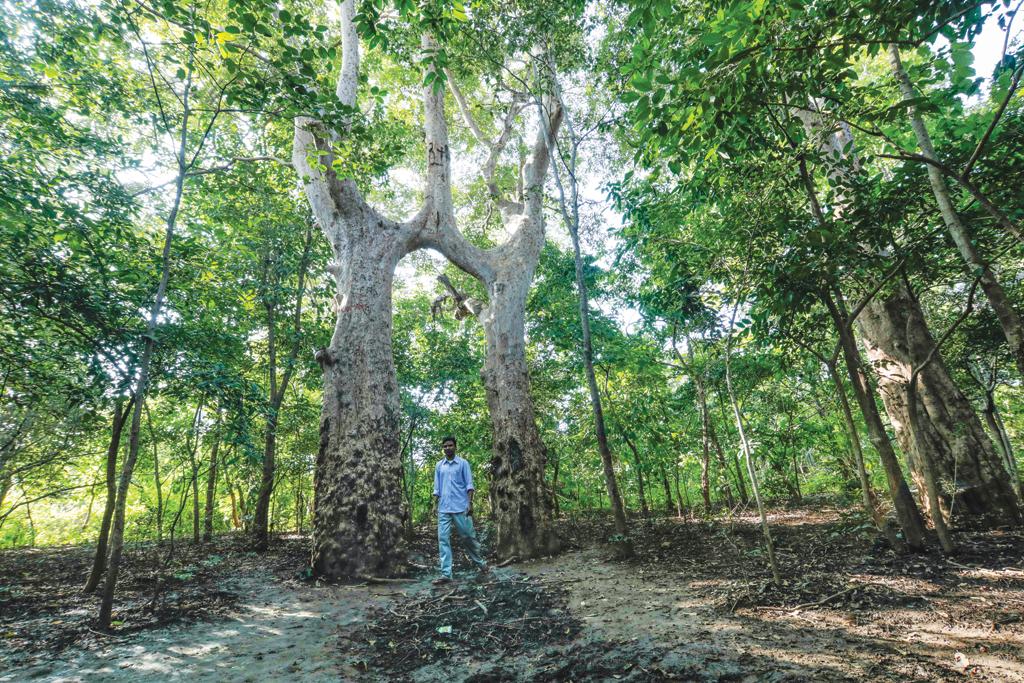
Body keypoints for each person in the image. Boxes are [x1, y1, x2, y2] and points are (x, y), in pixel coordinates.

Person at [432, 436, 488, 584]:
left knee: (468, 537)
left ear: (455, 447)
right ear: (443, 448)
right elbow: (437, 488)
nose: (447, 448)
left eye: (450, 445)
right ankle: (446, 574)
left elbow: (469, 485)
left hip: (460, 506)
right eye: (445, 446)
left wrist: (470, 503)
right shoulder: (439, 466)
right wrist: (434, 504)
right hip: (443, 507)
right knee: (443, 539)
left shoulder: (463, 464)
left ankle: (481, 563)